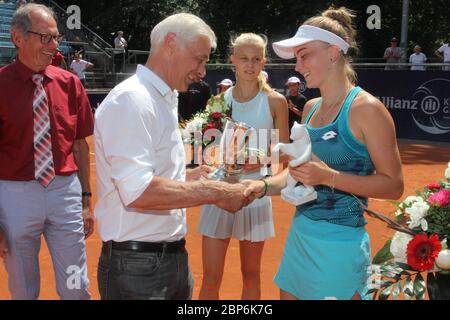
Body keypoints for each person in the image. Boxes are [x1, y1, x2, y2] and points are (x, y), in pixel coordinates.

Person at [245, 6, 404, 300]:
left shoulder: (366, 110)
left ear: (333, 52)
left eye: (304, 55)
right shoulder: (310, 108)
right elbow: (298, 174)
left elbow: (394, 185)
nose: (297, 65)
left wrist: (328, 176)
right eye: (297, 57)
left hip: (341, 247)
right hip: (300, 237)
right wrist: (260, 186)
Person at [94, 13, 255, 300]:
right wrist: (213, 191)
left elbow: (153, 172)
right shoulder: (133, 100)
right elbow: (138, 191)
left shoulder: (163, 98)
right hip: (137, 269)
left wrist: (187, 176)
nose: (202, 70)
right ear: (170, 44)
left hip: (168, 259)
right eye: (199, 58)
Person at [0, 3, 94, 300]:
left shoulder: (70, 84)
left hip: (64, 191)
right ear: (18, 37)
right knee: (23, 289)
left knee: (75, 284)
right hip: (14, 196)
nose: (54, 45)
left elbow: (79, 145)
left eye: (56, 37)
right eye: (45, 38)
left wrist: (86, 200)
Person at [198, 33, 289, 300]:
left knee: (251, 274)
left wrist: (258, 159)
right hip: (218, 192)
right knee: (211, 277)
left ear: (263, 62)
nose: (250, 65)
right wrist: (223, 156)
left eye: (256, 59)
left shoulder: (275, 101)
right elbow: (206, 150)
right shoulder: (217, 102)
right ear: (233, 60)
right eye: (244, 59)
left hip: (255, 194)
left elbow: (283, 151)